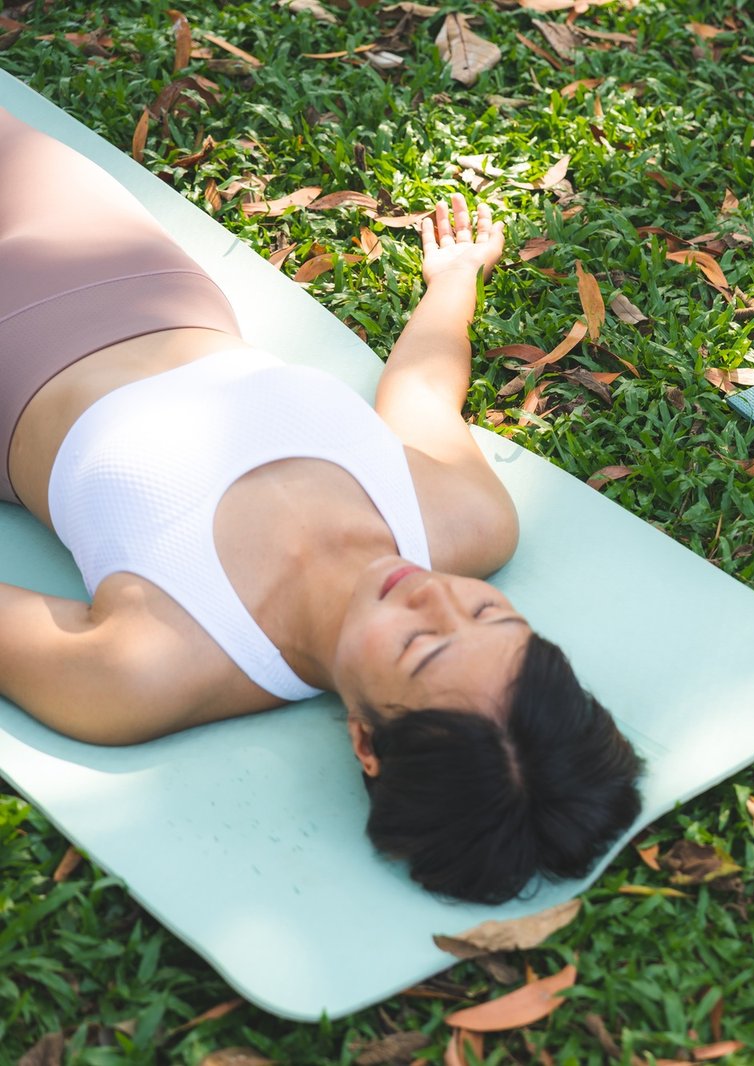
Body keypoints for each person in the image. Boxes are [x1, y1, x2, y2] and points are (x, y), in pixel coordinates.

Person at [0, 107, 643, 905]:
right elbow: (421, 392)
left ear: (366, 743)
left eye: (423, 648)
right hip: (116, 264)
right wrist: (456, 281)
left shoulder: (149, 672)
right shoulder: (467, 523)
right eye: (491, 616)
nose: (433, 595)